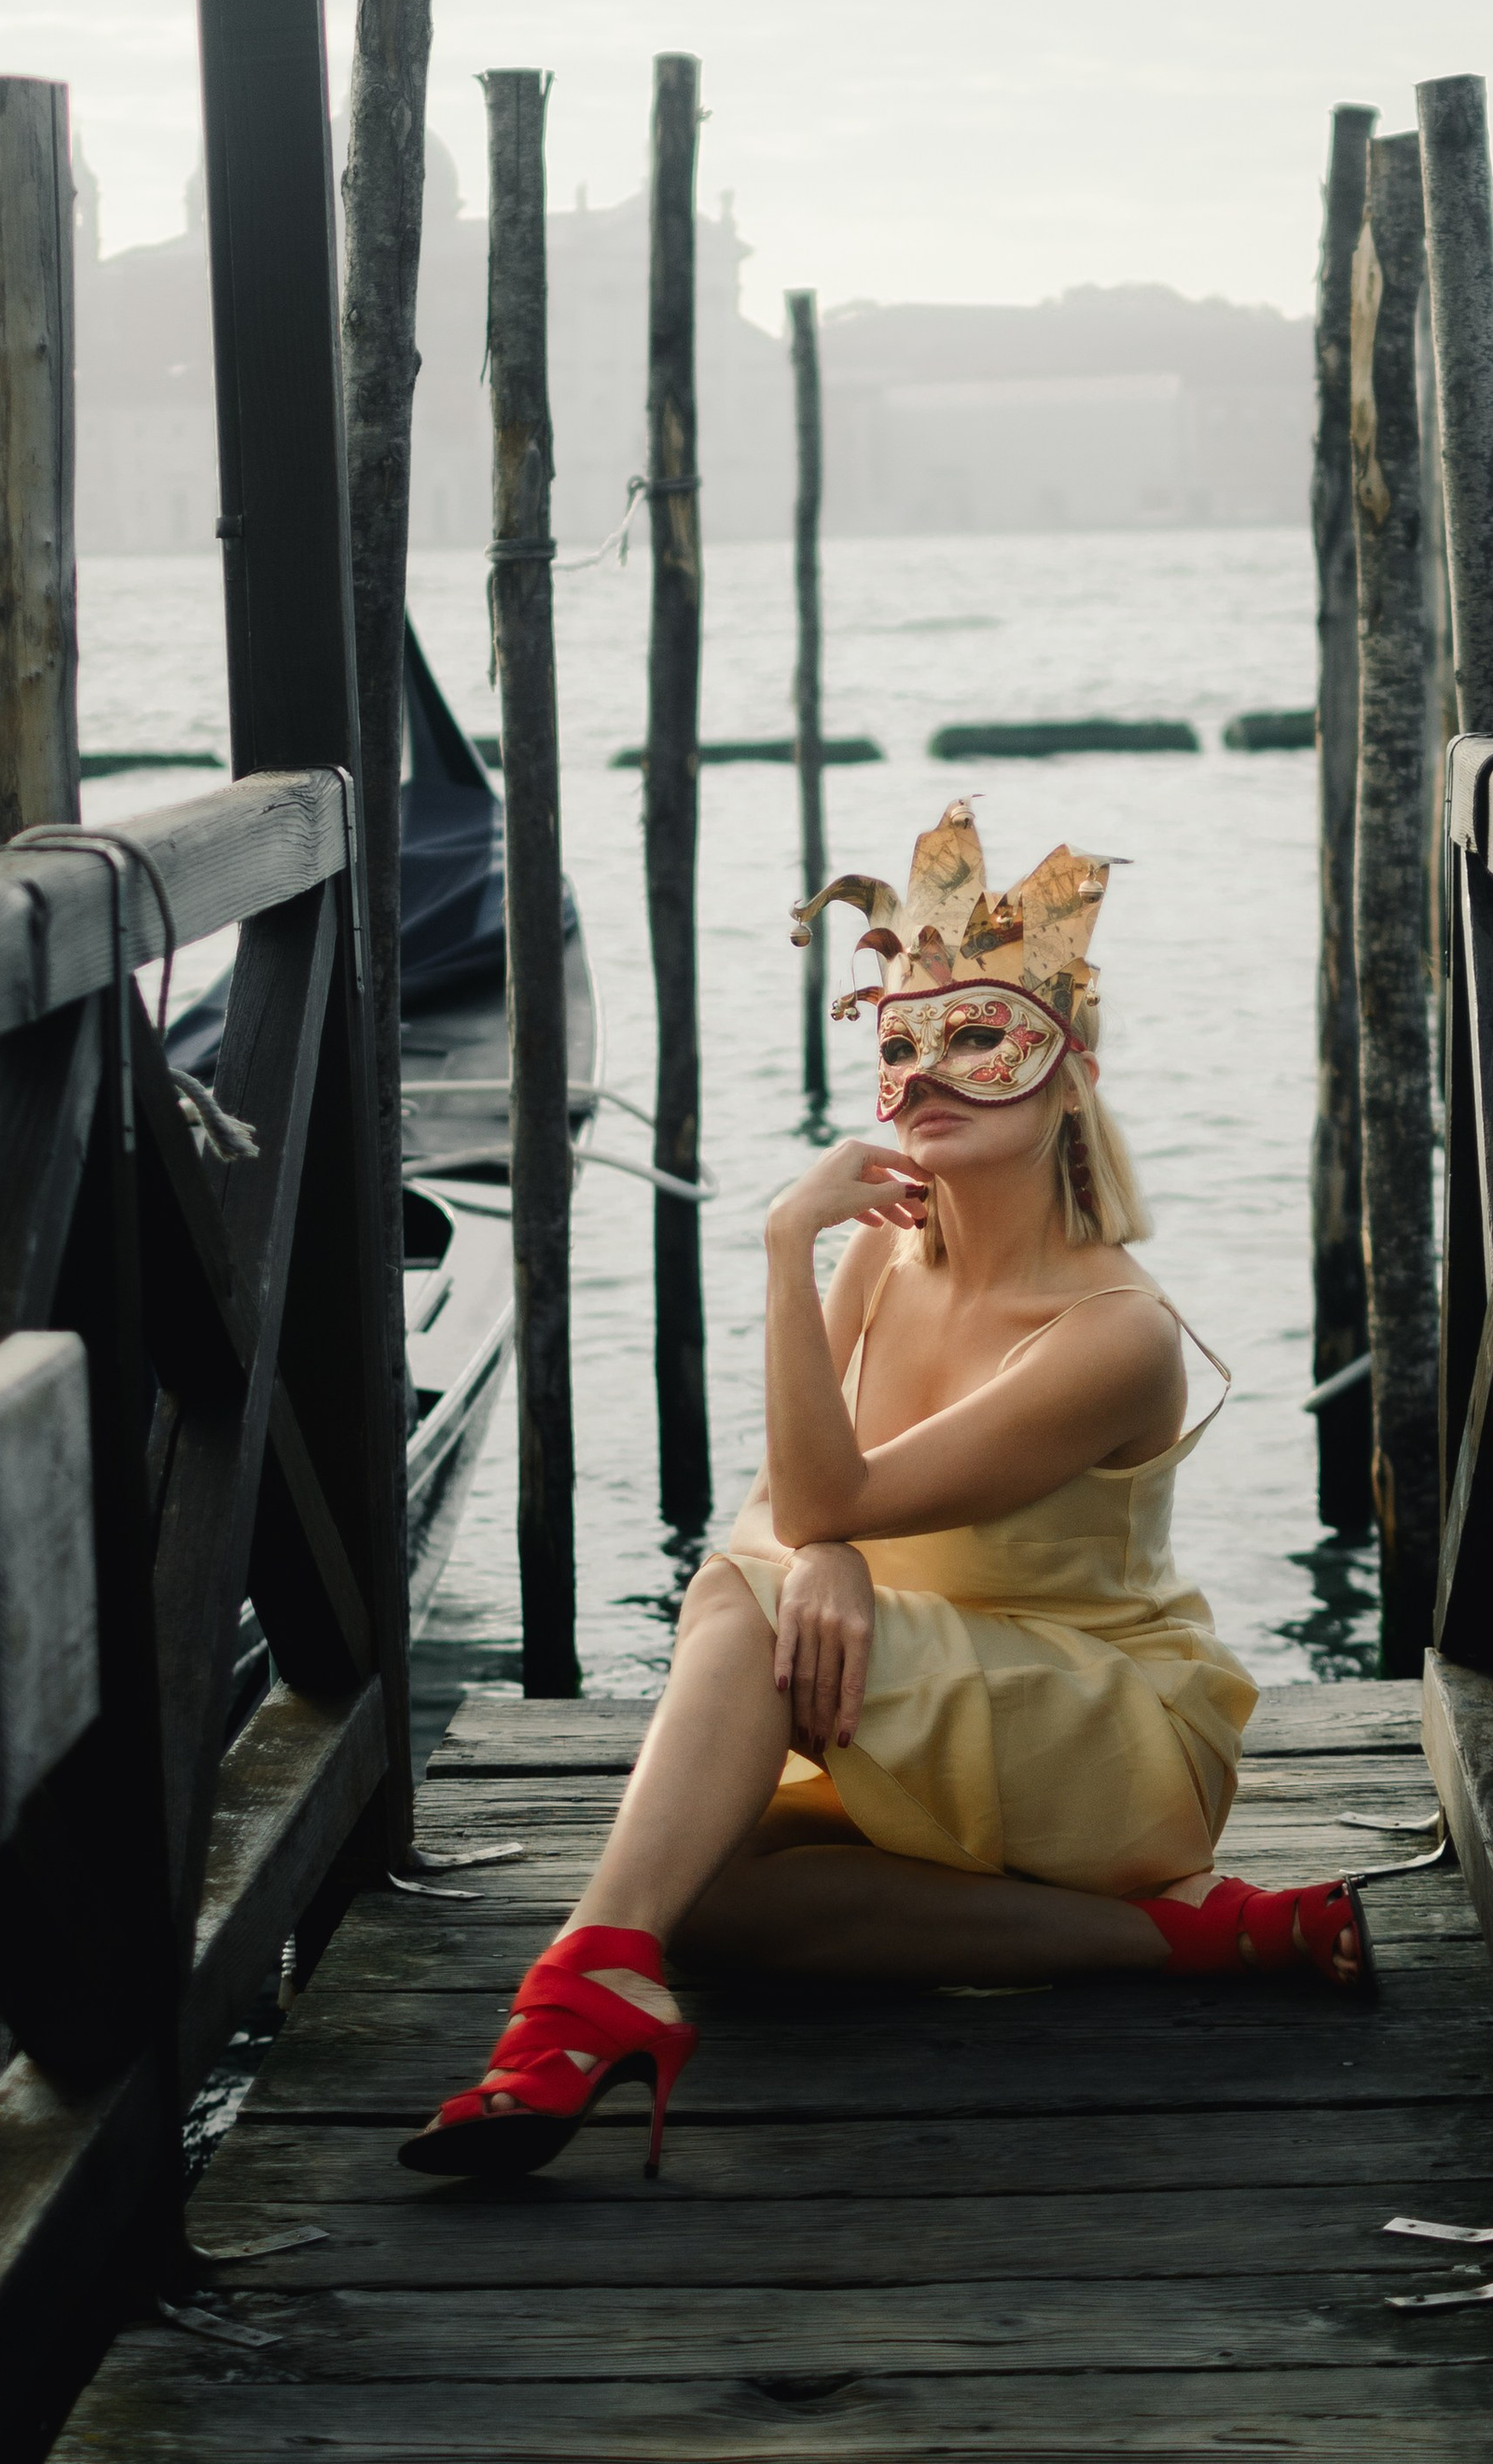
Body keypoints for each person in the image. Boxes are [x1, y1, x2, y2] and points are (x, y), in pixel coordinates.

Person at [401, 803, 1373, 2185]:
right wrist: (826, 1544)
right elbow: (782, 1508)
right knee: (714, 1899)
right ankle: (1199, 1936)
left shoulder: (1113, 1333)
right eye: (902, 1045)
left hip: (1114, 1735)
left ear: (1070, 1072)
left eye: (982, 1040)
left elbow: (819, 1494)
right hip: (920, 1706)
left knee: (739, 1593)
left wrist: (781, 1261)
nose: (929, 1077)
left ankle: (577, 1985)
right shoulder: (880, 1262)